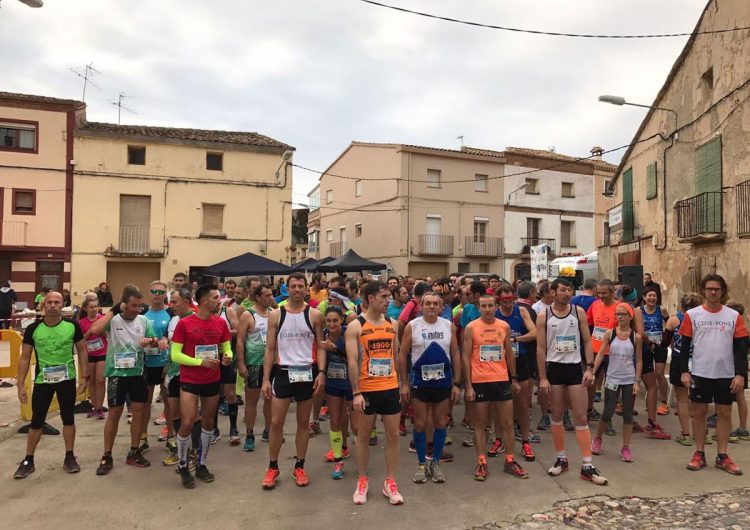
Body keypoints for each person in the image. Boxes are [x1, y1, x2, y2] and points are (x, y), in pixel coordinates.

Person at [537, 278, 607, 485]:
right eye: (563, 290)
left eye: (570, 290)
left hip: (575, 368)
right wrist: (542, 377)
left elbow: (587, 340)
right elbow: (540, 348)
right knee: (557, 414)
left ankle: (587, 465)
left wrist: (589, 367)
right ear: (553, 292)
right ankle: (561, 458)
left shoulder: (578, 312)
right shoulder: (544, 315)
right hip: (554, 368)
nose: (567, 293)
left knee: (581, 417)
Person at [13, 291, 88, 479]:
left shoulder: (72, 326)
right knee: (37, 420)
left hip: (66, 380)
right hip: (43, 381)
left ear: (62, 305)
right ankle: (28, 460)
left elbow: (82, 350)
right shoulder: (33, 329)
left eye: (57, 302)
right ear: (43, 305)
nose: (53, 305)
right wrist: (20, 384)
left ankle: (69, 456)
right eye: (50, 302)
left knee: (68, 418)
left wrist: (83, 377)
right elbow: (24, 357)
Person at [261, 273, 325, 489]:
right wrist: (265, 380)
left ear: (306, 289)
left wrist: (322, 372)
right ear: (286, 289)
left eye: (301, 286)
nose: (297, 290)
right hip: (283, 373)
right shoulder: (276, 315)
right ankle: (273, 466)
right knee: (276, 422)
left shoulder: (315, 315)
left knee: (303, 422)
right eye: (293, 286)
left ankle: (300, 465)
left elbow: (321, 346)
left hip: (307, 373)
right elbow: (269, 349)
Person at [680, 274, 748, 475]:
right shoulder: (692, 315)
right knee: (699, 413)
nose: (712, 292)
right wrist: (684, 371)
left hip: (726, 374)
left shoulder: (733, 316)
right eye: (709, 289)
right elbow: (684, 346)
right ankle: (699, 453)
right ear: (703, 291)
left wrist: (740, 374)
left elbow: (741, 348)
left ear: (722, 292)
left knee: (724, 413)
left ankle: (722, 456)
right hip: (700, 372)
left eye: (716, 289)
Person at [90, 286, 160, 476]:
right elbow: (93, 331)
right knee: (114, 413)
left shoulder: (144, 320)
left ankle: (134, 451)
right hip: (116, 374)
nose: (138, 309)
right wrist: (112, 311)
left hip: (138, 373)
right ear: (123, 305)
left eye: (139, 305)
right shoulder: (113, 320)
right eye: (133, 306)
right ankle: (107, 455)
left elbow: (155, 339)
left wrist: (150, 341)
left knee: (138, 412)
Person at [346, 281, 404, 505]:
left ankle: (390, 482)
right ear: (370, 298)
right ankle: (362, 480)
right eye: (383, 296)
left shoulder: (393, 323)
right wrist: (356, 392)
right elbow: (352, 362)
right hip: (366, 389)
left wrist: (400, 383)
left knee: (393, 436)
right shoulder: (356, 326)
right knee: (363, 436)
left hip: (389, 387)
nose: (388, 300)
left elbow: (396, 356)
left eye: (388, 296)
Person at [171, 284, 233, 488]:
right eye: (216, 297)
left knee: (208, 423)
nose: (220, 300)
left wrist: (227, 357)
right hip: (190, 379)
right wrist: (200, 362)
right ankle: (182, 464)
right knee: (187, 422)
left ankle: (201, 463)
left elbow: (226, 347)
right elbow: (175, 354)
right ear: (204, 301)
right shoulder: (185, 323)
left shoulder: (220, 323)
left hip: (212, 379)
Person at [399, 291, 461, 484]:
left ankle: (435, 463)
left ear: (442, 307)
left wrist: (457, 383)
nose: (432, 307)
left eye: (436, 304)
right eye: (428, 303)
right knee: (420, 424)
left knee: (441, 422)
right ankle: (421, 464)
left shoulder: (448, 326)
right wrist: (404, 383)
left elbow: (456, 355)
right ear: (421, 306)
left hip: (443, 382)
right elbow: (402, 355)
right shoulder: (413, 326)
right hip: (420, 382)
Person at [464, 293, 527, 481]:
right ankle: (481, 462)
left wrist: (514, 379)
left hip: (501, 380)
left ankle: (510, 460)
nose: (487, 309)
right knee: (481, 424)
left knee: (507, 423)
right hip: (480, 380)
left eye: (490, 305)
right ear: (479, 307)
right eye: (483, 306)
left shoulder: (504, 326)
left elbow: (509, 354)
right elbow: (465, 357)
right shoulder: (471, 328)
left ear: (495, 306)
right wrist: (468, 386)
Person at [591, 303, 642, 462]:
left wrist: (637, 381)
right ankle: (598, 439)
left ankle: (626, 447)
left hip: (628, 379)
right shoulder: (609, 334)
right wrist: (592, 371)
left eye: (623, 314)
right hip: (612, 378)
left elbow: (639, 360)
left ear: (630, 316)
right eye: (617, 314)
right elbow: (600, 354)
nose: (619, 317)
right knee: (607, 411)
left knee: (627, 414)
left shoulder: (636, 337)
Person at [495, 284, 538, 462]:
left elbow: (535, 332)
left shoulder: (521, 311)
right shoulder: (494, 313)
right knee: (498, 406)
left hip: (521, 361)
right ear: (499, 300)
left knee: (523, 404)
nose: (507, 304)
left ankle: (526, 441)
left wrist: (513, 339)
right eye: (504, 301)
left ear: (514, 298)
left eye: (510, 300)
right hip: (499, 364)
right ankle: (498, 440)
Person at [236, 284, 273, 452]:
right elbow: (240, 340)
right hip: (254, 363)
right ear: (258, 297)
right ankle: (249, 434)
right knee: (252, 400)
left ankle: (268, 430)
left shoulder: (273, 314)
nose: (270, 298)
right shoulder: (247, 315)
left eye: (271, 295)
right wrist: (241, 363)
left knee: (271, 399)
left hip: (272, 363)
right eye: (267, 295)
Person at [321, 306, 355, 479]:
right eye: (329, 320)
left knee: (356, 426)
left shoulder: (349, 333)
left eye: (335, 320)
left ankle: (350, 449)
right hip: (333, 383)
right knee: (334, 421)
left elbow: (353, 358)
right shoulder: (323, 334)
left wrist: (334, 348)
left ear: (342, 320)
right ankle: (338, 460)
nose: (332, 324)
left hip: (351, 384)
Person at [140, 281, 174, 452]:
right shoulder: (143, 313)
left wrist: (166, 341)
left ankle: (171, 437)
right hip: (146, 363)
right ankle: (143, 437)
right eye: (154, 291)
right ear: (149, 292)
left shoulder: (170, 312)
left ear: (165, 293)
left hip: (165, 363)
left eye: (161, 292)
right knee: (146, 402)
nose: (157, 294)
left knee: (169, 402)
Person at [162, 288, 194, 466]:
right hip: (173, 373)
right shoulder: (173, 320)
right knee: (174, 412)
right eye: (171, 302)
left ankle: (193, 451)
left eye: (175, 302)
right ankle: (181, 449)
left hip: (191, 374)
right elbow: (168, 340)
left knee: (189, 416)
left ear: (187, 301)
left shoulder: (196, 319)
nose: (171, 305)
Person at [634, 287, 671, 440]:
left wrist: (669, 341)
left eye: (654, 296)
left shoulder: (661, 309)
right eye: (649, 295)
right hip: (645, 346)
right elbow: (639, 331)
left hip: (659, 345)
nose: (652, 298)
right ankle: (636, 414)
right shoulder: (638, 310)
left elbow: (670, 325)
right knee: (646, 379)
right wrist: (647, 342)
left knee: (659, 373)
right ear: (643, 297)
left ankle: (664, 402)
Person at [665, 293, 702, 446]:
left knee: (682, 399)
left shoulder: (674, 320)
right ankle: (702, 433)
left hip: (680, 359)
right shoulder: (702, 319)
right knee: (700, 400)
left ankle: (686, 434)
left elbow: (665, 341)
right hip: (700, 360)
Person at [586, 280, 619, 427]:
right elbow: (588, 322)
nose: (600, 296)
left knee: (610, 386)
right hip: (595, 350)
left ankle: (608, 418)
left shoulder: (620, 307)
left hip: (612, 352)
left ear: (612, 292)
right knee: (590, 382)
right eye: (598, 292)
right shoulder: (595, 304)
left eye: (604, 293)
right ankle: (588, 411)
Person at [79, 297, 108, 420]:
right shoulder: (82, 322)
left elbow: (108, 335)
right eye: (91, 307)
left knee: (100, 380)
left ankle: (100, 407)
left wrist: (101, 332)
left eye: (96, 306)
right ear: (85, 308)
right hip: (89, 354)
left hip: (102, 352)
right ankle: (95, 407)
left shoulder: (102, 319)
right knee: (91, 382)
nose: (94, 309)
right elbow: (81, 340)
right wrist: (90, 331)